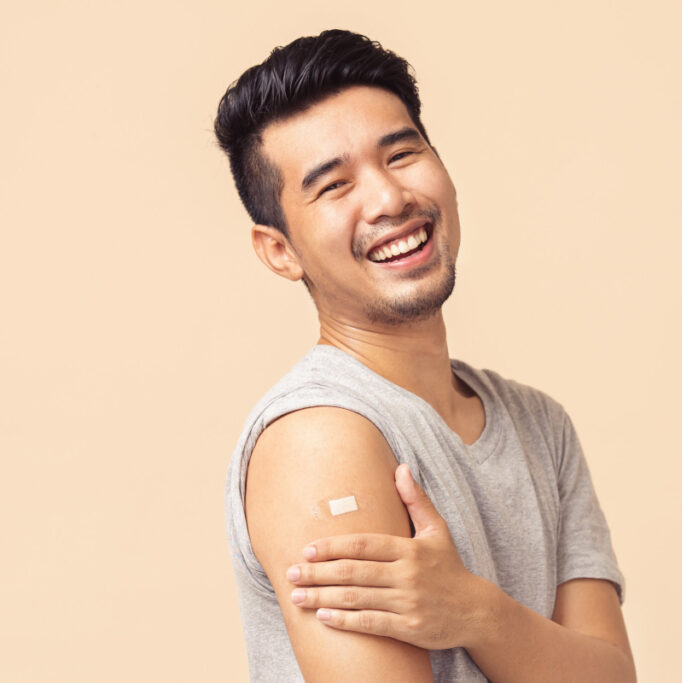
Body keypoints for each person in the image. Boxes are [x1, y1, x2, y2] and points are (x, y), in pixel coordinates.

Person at [217, 29, 634, 682]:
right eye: (334, 185)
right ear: (280, 250)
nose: (389, 199)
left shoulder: (539, 425)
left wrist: (476, 613)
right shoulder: (321, 438)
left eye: (402, 154)